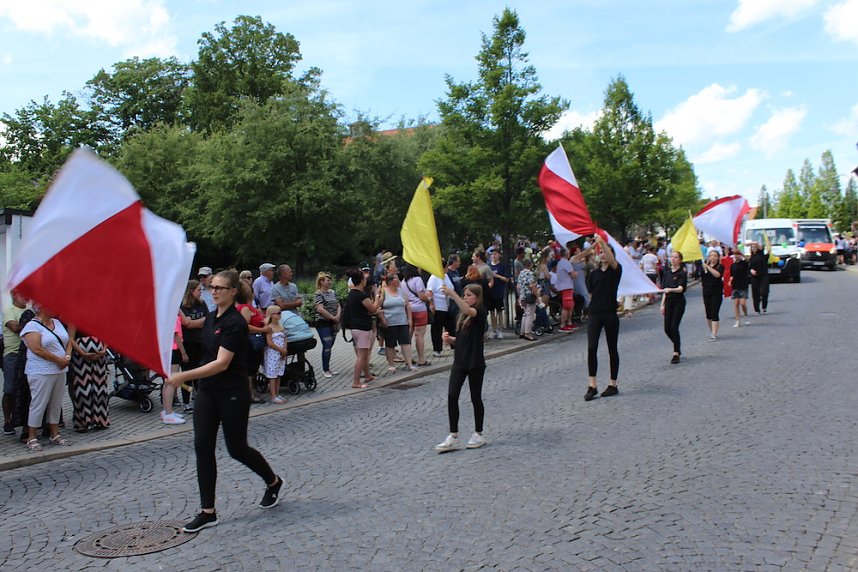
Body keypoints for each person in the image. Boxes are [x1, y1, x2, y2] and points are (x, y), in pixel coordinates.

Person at [167, 270, 283, 533]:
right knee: (202, 446)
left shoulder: (234, 323)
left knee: (237, 448)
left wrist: (182, 376)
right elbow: (191, 331)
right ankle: (207, 511)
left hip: (232, 392)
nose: (214, 291)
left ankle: (273, 481)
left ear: (232, 292)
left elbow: (221, 364)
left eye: (220, 288)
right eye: (212, 288)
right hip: (207, 392)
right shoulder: (210, 318)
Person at [435, 283, 488, 452]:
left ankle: (478, 433)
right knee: (452, 396)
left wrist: (452, 294)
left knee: (475, 397)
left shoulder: (480, 312)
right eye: (464, 294)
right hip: (460, 362)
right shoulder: (462, 316)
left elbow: (467, 310)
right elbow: (462, 340)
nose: (465, 297)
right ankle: (453, 435)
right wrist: (450, 339)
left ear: (477, 298)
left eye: (469, 295)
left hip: (475, 362)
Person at [20, 305, 72, 451]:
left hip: (60, 369)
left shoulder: (58, 322)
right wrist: (58, 360)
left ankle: (54, 433)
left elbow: (68, 341)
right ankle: (32, 437)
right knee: (39, 402)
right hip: (40, 370)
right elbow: (36, 349)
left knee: (56, 402)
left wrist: (67, 357)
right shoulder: (32, 325)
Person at [584, 235, 622, 401]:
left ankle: (613, 383)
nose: (603, 254)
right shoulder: (593, 274)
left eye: (606, 252)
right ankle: (592, 385)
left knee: (612, 348)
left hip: (610, 313)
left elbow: (612, 261)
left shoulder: (616, 270)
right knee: (592, 348)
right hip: (595, 313)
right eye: (600, 252)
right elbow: (591, 294)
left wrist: (601, 241)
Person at [345, 269, 381, 389]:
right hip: (362, 328)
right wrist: (377, 297)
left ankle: (367, 375)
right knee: (362, 355)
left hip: (355, 327)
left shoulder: (351, 293)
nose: (366, 281)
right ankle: (356, 381)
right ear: (361, 281)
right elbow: (373, 309)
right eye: (365, 279)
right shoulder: (361, 296)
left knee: (364, 354)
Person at [68, 328, 109, 432]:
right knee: (82, 390)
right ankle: (83, 421)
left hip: (100, 358)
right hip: (80, 359)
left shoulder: (97, 316)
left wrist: (104, 349)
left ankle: (100, 419)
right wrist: (83, 353)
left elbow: (106, 334)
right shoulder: (74, 318)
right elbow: (70, 339)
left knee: (100, 389)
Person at [236, 282, 269, 404]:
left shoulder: (251, 307)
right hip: (251, 341)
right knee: (250, 370)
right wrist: (262, 329)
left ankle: (250, 392)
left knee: (253, 369)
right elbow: (245, 326)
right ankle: (249, 394)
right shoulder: (244, 308)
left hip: (256, 341)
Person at [180, 280, 209, 413]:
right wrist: (199, 322)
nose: (201, 292)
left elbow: (207, 320)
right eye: (198, 290)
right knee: (187, 374)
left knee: (199, 372)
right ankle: (186, 402)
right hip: (188, 343)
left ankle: (198, 396)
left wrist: (194, 322)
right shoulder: (183, 306)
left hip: (201, 341)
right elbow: (187, 324)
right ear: (191, 291)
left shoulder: (202, 304)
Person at [377, 274, 415, 373]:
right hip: (389, 322)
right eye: (396, 279)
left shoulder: (401, 292)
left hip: (402, 321)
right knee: (390, 344)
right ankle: (391, 364)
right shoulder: (384, 292)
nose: (398, 281)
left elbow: (407, 306)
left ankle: (410, 364)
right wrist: (382, 319)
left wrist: (410, 320)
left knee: (406, 343)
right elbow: (378, 307)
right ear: (390, 281)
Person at [3, 290, 27, 435]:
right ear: (14, 295)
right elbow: (15, 328)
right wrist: (32, 323)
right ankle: (7, 420)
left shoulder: (30, 310)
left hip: (29, 353)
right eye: (23, 294)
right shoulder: (9, 311)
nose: (26, 297)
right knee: (10, 389)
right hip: (12, 353)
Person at [402, 264, 432, 367]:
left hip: (408, 309)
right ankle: (421, 359)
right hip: (419, 308)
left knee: (408, 335)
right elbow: (421, 296)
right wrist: (428, 298)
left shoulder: (403, 282)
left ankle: (408, 359)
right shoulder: (418, 279)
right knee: (419, 335)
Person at [661, 251, 688, 364]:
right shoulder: (667, 273)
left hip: (678, 301)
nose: (673, 259)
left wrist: (671, 289)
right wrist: (662, 304)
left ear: (680, 260)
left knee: (673, 327)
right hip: (669, 301)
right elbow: (664, 290)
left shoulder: (682, 273)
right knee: (667, 328)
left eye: (676, 257)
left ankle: (676, 353)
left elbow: (681, 288)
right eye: (672, 257)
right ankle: (677, 344)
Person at [313, 272, 341, 379]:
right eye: (327, 280)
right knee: (327, 345)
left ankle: (328, 368)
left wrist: (338, 316)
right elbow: (320, 309)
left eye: (330, 280)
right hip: (323, 322)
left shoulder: (333, 292)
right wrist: (331, 317)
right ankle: (325, 369)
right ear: (321, 282)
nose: (329, 282)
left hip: (334, 322)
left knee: (330, 345)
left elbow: (338, 305)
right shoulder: (318, 294)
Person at [161, 316, 188, 424]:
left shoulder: (166, 316)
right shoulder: (174, 317)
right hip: (174, 350)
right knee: (172, 381)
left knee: (167, 382)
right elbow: (176, 335)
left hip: (167, 349)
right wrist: (183, 352)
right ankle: (169, 413)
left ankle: (166, 410)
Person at [427, 266, 455, 357]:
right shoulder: (434, 277)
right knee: (437, 329)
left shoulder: (446, 276)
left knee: (451, 326)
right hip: (438, 306)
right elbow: (429, 292)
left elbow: (451, 287)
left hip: (447, 305)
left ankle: (455, 346)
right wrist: (432, 304)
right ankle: (437, 349)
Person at [262, 306, 288, 404]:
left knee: (279, 373)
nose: (280, 315)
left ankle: (277, 393)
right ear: (272, 315)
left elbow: (285, 338)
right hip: (273, 353)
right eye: (278, 313)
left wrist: (284, 349)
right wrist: (280, 350)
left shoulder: (280, 326)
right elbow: (270, 342)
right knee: (273, 375)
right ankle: (273, 395)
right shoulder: (269, 327)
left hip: (281, 353)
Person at [487, 249, 511, 338]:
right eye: (492, 254)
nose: (493, 256)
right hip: (491, 292)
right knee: (492, 312)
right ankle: (494, 329)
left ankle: (500, 329)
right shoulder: (488, 266)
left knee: (500, 311)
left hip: (499, 292)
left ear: (499, 255)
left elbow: (507, 279)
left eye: (495, 254)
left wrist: (497, 276)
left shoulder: (502, 266)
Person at [701, 249, 724, 340]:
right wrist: (704, 268)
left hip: (716, 292)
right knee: (708, 314)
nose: (713, 257)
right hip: (706, 292)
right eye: (711, 256)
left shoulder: (720, 266)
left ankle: (714, 333)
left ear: (718, 258)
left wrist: (708, 267)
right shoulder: (705, 267)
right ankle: (712, 331)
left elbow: (717, 275)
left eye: (715, 256)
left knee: (715, 312)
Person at [554, 248, 576, 331]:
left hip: (565, 286)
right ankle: (563, 324)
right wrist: (575, 273)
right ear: (566, 254)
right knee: (566, 306)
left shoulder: (560, 262)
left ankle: (569, 322)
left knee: (570, 305)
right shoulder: (566, 263)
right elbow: (572, 275)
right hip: (566, 286)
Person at [516, 258, 538, 341]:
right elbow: (532, 286)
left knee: (525, 314)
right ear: (530, 264)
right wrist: (538, 296)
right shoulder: (530, 273)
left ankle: (522, 332)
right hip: (529, 296)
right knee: (530, 314)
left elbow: (518, 286)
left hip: (522, 295)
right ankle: (528, 333)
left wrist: (520, 295)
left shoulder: (521, 273)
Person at [730, 249, 751, 328]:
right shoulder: (733, 265)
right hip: (735, 286)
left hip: (743, 285)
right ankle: (738, 320)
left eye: (737, 254)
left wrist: (742, 254)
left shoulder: (744, 263)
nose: (736, 256)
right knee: (736, 304)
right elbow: (732, 275)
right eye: (735, 254)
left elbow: (748, 259)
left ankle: (745, 315)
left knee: (742, 303)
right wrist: (730, 281)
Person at [748, 242, 770, 315]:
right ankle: (757, 309)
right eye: (752, 247)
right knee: (755, 293)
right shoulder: (751, 257)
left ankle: (764, 307)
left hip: (763, 275)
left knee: (764, 292)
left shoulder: (762, 255)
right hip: (754, 277)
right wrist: (751, 270)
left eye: (755, 247)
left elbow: (763, 247)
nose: (754, 248)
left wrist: (750, 243)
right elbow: (749, 266)